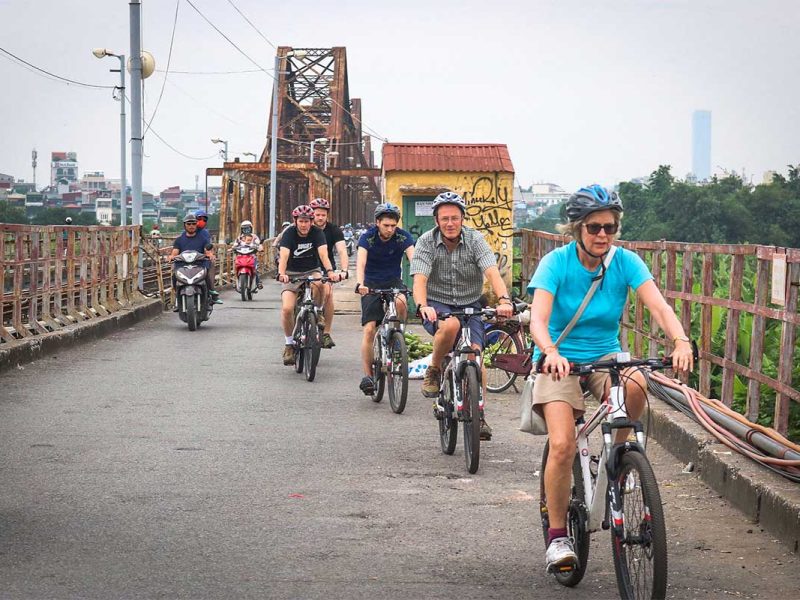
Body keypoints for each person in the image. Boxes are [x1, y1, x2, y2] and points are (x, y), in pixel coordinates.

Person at [527, 184, 694, 572]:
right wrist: (550, 352)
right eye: (594, 227)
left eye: (611, 227)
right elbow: (538, 318)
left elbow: (658, 305)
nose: (603, 234)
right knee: (564, 444)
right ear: (576, 229)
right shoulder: (556, 263)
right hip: (559, 360)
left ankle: (618, 458)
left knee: (637, 380)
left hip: (605, 357)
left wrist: (680, 340)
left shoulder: (625, 262)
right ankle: (557, 538)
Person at [410, 191, 513, 440]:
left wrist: (504, 300)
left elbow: (491, 272)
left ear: (463, 218)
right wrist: (423, 305)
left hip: (471, 304)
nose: (450, 223)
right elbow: (420, 279)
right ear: (436, 221)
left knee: (476, 357)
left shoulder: (475, 240)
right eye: (444, 218)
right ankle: (435, 368)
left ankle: (480, 414)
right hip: (438, 304)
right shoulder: (426, 242)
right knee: (451, 325)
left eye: (455, 218)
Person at [355, 202, 415, 395]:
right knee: (370, 329)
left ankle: (398, 334)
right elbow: (361, 262)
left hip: (393, 281)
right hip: (370, 283)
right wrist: (359, 284)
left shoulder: (403, 237)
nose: (390, 229)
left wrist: (420, 282)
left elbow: (414, 260)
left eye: (393, 225)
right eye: (386, 225)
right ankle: (368, 376)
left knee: (401, 302)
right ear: (377, 222)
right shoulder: (368, 237)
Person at [277, 205, 341, 365]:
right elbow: (284, 256)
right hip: (291, 273)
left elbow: (323, 254)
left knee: (319, 283)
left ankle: (318, 312)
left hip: (312, 270)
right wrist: (281, 273)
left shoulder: (317, 233)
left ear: (311, 222)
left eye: (307, 221)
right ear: (295, 221)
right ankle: (289, 344)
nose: (304, 225)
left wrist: (330, 271)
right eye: (301, 221)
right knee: (286, 309)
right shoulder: (289, 233)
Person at [310, 197, 348, 349]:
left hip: (326, 269)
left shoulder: (333, 230)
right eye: (317, 214)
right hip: (305, 267)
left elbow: (342, 251)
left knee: (328, 294)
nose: (319, 218)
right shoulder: (304, 226)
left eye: (323, 215)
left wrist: (344, 270)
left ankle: (326, 333)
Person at [168, 213, 222, 308]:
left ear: (196, 224)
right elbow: (175, 252)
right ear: (184, 225)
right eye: (188, 224)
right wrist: (171, 257)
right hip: (183, 266)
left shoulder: (203, 238)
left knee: (207, 273)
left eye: (193, 223)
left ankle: (211, 292)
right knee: (174, 275)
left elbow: (207, 249)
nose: (191, 226)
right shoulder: (179, 240)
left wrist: (209, 255)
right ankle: (177, 296)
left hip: (199, 265)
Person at [232, 220, 264, 290]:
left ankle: (258, 282)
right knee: (235, 267)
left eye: (248, 228)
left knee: (255, 269)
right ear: (241, 229)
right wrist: (232, 248)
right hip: (241, 256)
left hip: (251, 256)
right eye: (244, 228)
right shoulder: (239, 238)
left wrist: (260, 247)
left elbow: (259, 244)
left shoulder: (254, 237)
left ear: (251, 228)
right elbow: (234, 245)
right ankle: (235, 281)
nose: (246, 230)